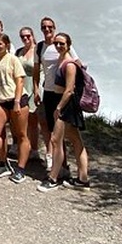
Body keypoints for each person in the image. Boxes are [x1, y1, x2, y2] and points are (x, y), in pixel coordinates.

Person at [38, 33, 90, 192]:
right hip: (66, 104)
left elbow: (69, 90)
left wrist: (59, 108)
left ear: (68, 45)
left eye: (62, 43)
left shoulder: (69, 65)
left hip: (67, 105)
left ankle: (53, 178)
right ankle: (83, 180)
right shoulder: (62, 60)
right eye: (56, 43)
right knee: (76, 140)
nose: (58, 46)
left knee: (55, 140)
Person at [0, 33, 30, 182]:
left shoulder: (13, 59)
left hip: (17, 99)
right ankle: (4, 162)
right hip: (1, 100)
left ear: (7, 45)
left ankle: (21, 169)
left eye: (0, 44)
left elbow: (20, 81)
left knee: (20, 134)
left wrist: (16, 101)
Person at [32, 16, 78, 171]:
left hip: (62, 93)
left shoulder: (62, 44)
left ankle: (62, 168)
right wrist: (36, 88)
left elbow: (77, 64)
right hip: (49, 92)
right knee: (53, 130)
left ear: (54, 27)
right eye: (44, 27)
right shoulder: (39, 48)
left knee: (64, 132)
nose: (47, 29)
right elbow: (36, 70)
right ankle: (61, 166)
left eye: (49, 26)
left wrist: (73, 86)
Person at [16, 26, 43, 162]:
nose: (25, 38)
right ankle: (22, 146)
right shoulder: (19, 52)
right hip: (22, 86)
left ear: (32, 36)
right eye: (22, 36)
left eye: (28, 36)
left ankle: (34, 149)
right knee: (22, 118)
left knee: (34, 118)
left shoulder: (38, 50)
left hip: (34, 85)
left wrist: (37, 89)